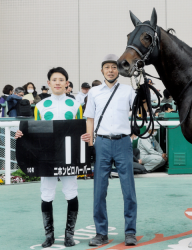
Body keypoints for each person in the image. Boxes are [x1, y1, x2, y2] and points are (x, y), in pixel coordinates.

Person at [14, 67, 91, 248]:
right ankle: (49, 236)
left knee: (71, 192)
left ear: (67, 83)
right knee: (47, 194)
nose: (58, 82)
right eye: (54, 79)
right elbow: (37, 131)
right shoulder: (40, 106)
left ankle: (69, 235)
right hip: (47, 157)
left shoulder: (75, 105)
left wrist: (86, 136)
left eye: (61, 79)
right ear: (49, 83)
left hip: (68, 157)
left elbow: (80, 129)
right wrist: (21, 134)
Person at [85, 54, 138, 246]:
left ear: (119, 70)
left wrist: (144, 93)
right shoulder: (94, 92)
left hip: (123, 142)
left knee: (128, 189)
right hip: (102, 142)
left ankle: (130, 232)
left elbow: (140, 111)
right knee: (99, 189)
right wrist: (91, 144)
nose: (110, 70)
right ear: (102, 70)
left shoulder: (128, 91)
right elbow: (89, 118)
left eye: (114, 67)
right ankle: (101, 233)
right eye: (107, 67)